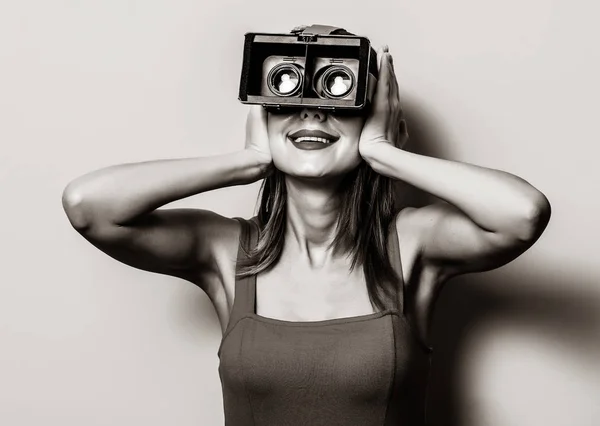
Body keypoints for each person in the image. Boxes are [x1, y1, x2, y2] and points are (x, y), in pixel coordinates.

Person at [61, 30, 551, 426]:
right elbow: (88, 205)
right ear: (262, 113)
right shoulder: (227, 250)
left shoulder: (412, 244)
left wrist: (384, 151)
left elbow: (523, 213)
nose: (313, 110)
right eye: (288, 90)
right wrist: (248, 160)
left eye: (340, 89)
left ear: (378, 115)